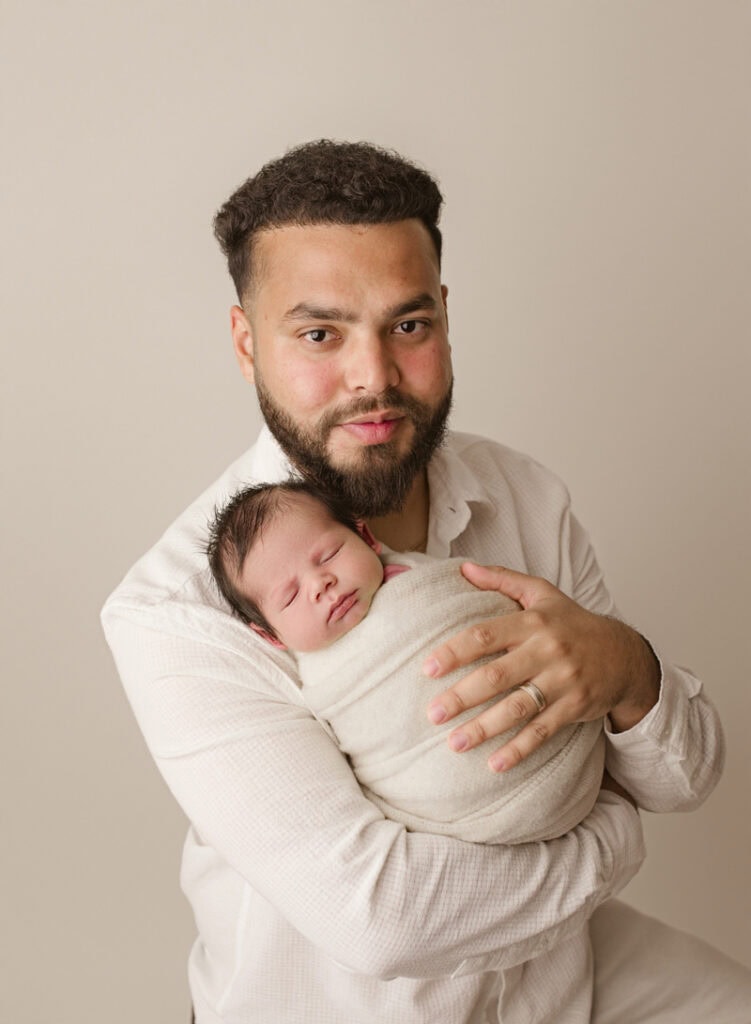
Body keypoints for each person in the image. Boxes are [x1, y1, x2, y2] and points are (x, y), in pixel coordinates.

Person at [102, 139, 751, 1023]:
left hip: (562, 979)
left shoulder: (523, 494)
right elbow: (386, 922)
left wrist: (625, 668)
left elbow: (683, 778)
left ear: (444, 315)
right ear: (246, 343)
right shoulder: (173, 612)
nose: (372, 377)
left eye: (407, 326)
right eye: (319, 333)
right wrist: (609, 841)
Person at [207, 479, 605, 844]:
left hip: (567, 764)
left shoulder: (421, 575)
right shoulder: (314, 680)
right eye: (290, 597)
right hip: (464, 808)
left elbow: (507, 620)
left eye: (328, 555)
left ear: (365, 536)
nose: (319, 584)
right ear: (271, 636)